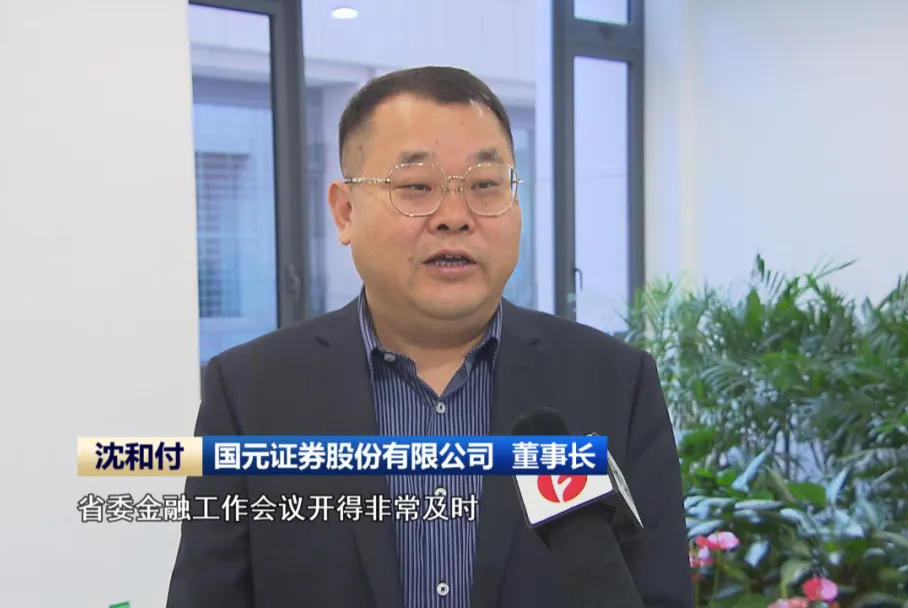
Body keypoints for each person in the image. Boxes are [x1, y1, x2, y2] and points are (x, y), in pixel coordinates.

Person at [166, 66, 693, 608]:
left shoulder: (615, 383)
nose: (454, 218)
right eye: (417, 187)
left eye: (485, 186)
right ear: (345, 212)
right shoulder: (251, 393)